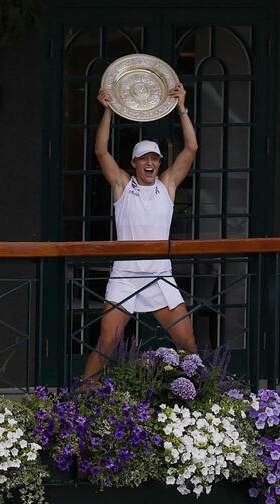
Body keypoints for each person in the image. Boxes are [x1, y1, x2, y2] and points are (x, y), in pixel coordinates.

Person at [83, 82, 198, 381]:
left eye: (154, 158)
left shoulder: (167, 185)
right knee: (107, 343)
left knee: (187, 343)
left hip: (160, 274)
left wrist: (182, 108)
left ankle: (200, 396)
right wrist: (108, 111)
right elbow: (100, 151)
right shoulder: (122, 185)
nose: (150, 162)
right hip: (125, 275)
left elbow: (191, 148)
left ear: (159, 163)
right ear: (134, 163)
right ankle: (81, 396)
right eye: (144, 158)